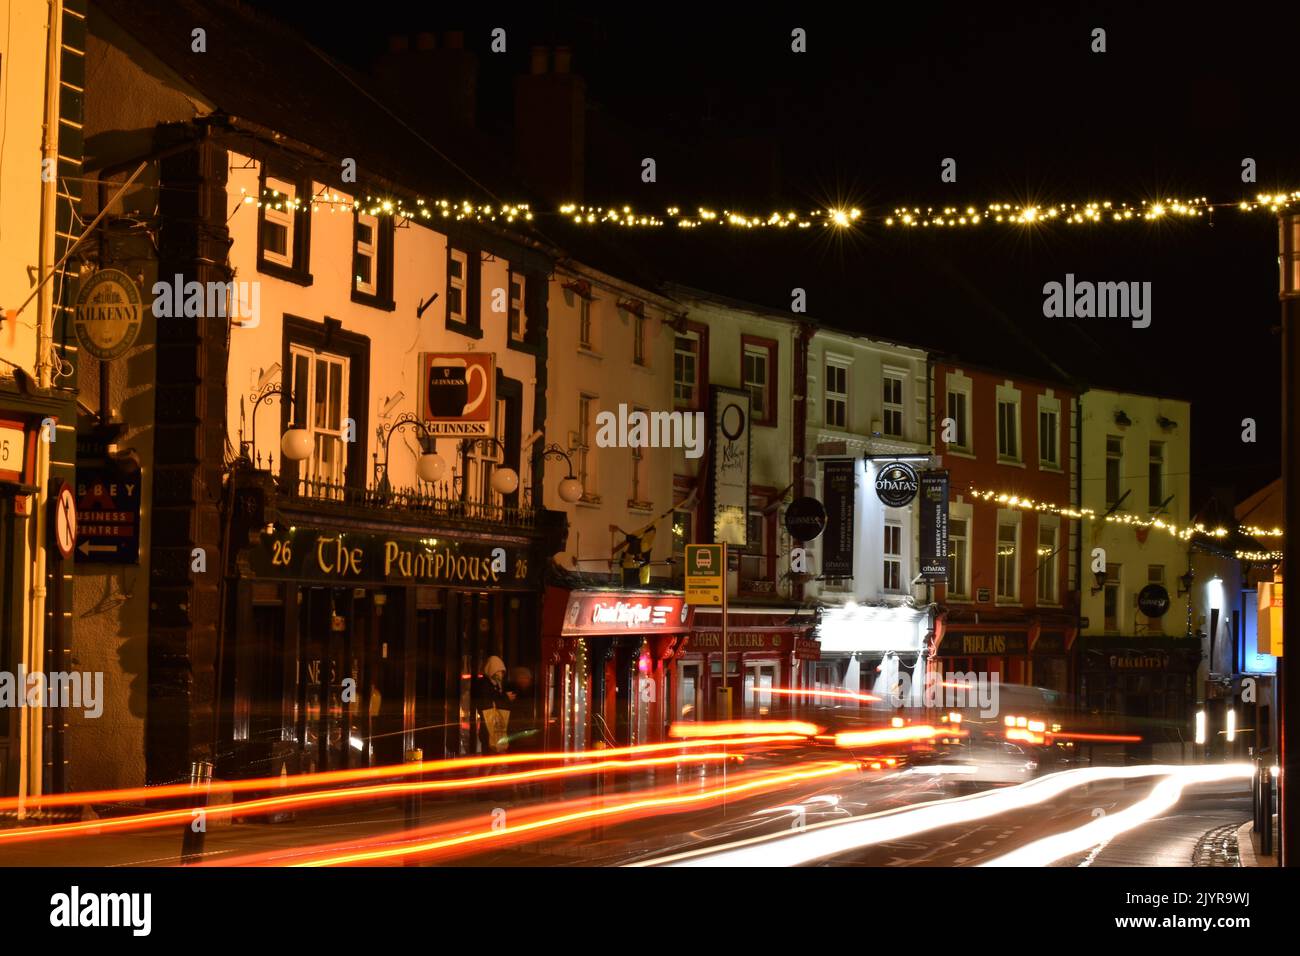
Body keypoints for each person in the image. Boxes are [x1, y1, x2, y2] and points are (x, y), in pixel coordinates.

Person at [472, 656, 511, 754]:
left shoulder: (496, 685)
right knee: (490, 757)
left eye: (502, 672)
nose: (501, 675)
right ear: (492, 671)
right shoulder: (485, 685)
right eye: (498, 672)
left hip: (492, 728)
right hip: (488, 729)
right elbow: (487, 704)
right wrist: (505, 698)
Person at [506, 666, 539, 752]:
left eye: (526, 678)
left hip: (525, 727)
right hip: (516, 728)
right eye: (522, 677)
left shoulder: (533, 692)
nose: (524, 680)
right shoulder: (514, 690)